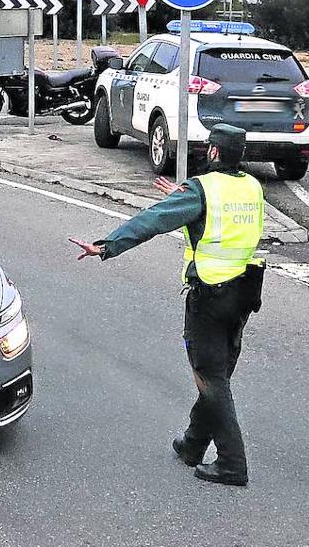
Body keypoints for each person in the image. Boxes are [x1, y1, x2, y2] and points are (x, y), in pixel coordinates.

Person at [69, 124, 265, 487]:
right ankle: (193, 445)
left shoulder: (202, 189)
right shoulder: (251, 187)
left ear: (214, 153)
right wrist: (187, 199)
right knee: (217, 372)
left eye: (209, 147)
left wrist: (108, 245)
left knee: (210, 377)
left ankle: (232, 463)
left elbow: (155, 219)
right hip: (243, 295)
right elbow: (221, 219)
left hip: (210, 294)